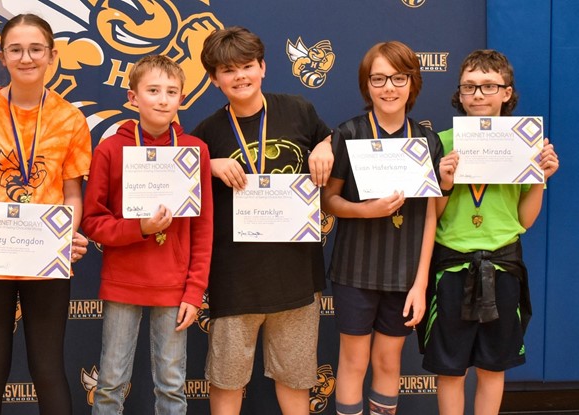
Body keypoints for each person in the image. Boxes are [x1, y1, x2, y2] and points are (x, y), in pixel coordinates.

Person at [0, 13, 92, 415]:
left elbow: (72, 193)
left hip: (45, 257)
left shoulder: (70, 119)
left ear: (52, 55)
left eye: (35, 49)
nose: (26, 57)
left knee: (48, 370)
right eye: (16, 49)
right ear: (2, 56)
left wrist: (66, 236)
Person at [190, 26, 333, 415]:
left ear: (263, 67)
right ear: (214, 80)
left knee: (296, 380)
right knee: (227, 381)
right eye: (228, 70)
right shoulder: (206, 133)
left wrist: (325, 145)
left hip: (296, 275)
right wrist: (207, 163)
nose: (240, 76)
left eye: (247, 66)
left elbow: (334, 139)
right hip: (235, 278)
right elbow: (178, 182)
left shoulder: (298, 110)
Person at [421, 49, 559, 415]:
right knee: (450, 370)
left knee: (492, 367)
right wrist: (445, 183)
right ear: (459, 94)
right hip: (452, 268)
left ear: (507, 92)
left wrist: (540, 181)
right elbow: (433, 216)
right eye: (469, 87)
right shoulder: (442, 143)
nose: (478, 94)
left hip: (502, 268)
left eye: (488, 86)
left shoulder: (524, 144)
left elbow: (525, 222)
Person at [81, 55, 213, 414]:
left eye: (172, 92)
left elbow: (203, 228)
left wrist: (195, 288)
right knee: (110, 383)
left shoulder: (195, 151)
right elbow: (92, 221)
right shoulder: (110, 150)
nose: (162, 99)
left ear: (182, 99)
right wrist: (139, 228)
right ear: (132, 97)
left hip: (175, 286)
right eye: (153, 90)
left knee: (171, 386)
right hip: (123, 281)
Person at [322, 41, 442, 415]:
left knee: (389, 363)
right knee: (354, 363)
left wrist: (421, 283)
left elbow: (431, 216)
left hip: (405, 275)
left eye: (398, 78)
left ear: (412, 82)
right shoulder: (348, 133)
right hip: (355, 270)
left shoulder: (427, 141)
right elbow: (329, 202)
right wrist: (366, 211)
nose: (388, 87)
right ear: (366, 84)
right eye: (378, 79)